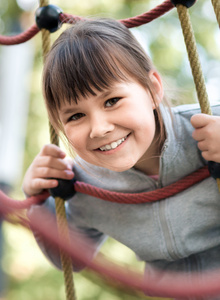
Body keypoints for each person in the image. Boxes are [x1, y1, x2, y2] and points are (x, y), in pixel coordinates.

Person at [23, 18, 220, 297]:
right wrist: (39, 202)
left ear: (153, 90)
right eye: (76, 116)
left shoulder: (209, 131)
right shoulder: (85, 183)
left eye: (112, 101)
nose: (99, 128)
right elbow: (70, 259)